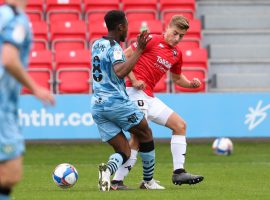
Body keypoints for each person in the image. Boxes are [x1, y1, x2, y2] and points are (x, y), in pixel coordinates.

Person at [111, 15, 204, 190]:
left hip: (149, 96)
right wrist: (134, 79)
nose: (177, 38)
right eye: (175, 33)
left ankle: (179, 172)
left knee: (180, 125)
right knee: (139, 137)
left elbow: (177, 79)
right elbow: (122, 58)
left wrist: (190, 84)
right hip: (134, 92)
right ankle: (117, 181)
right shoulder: (152, 40)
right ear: (167, 28)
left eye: (181, 36)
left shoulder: (177, 54)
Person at [90, 10, 164, 191]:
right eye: (126, 27)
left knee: (124, 151)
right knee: (145, 132)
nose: (127, 31)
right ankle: (148, 182)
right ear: (120, 27)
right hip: (115, 102)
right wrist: (139, 50)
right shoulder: (115, 47)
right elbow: (120, 71)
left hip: (97, 105)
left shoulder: (96, 44)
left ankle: (107, 173)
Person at [0, 1, 55, 199]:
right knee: (10, 174)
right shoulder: (16, 19)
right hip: (3, 105)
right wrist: (35, 88)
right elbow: (9, 58)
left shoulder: (3, 14)